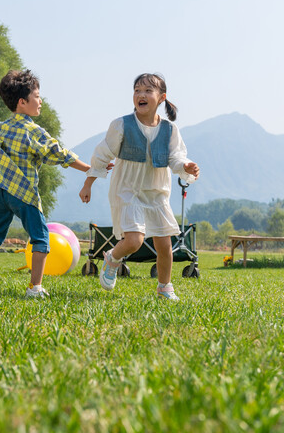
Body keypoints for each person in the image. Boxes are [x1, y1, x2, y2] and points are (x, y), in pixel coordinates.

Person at [0, 70, 90, 298]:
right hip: (23, 193)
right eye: (37, 96)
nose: (40, 101)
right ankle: (35, 287)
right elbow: (60, 154)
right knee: (40, 237)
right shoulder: (34, 131)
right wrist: (89, 168)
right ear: (22, 102)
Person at [78, 73, 200, 301]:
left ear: (161, 97)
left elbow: (175, 157)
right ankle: (112, 258)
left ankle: (165, 287)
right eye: (137, 90)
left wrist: (186, 165)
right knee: (135, 240)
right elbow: (102, 155)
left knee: (165, 245)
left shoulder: (170, 130)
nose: (140, 95)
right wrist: (88, 183)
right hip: (128, 190)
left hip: (157, 194)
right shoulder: (122, 125)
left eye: (147, 91)